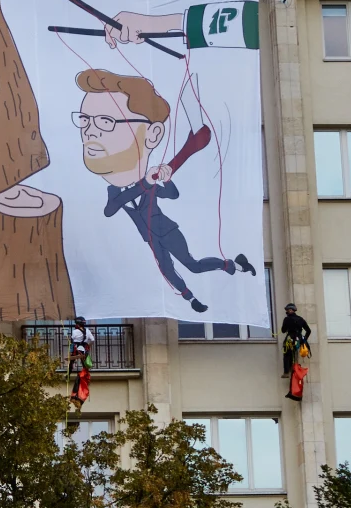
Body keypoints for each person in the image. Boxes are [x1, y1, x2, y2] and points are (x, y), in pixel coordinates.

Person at [75, 69, 257, 313]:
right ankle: (191, 298)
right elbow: (111, 209)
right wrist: (147, 182)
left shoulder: (149, 186)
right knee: (166, 270)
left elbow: (172, 195)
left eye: (106, 122)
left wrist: (166, 180)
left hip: (167, 231)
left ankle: (233, 264)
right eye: (85, 120)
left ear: (153, 135)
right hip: (150, 237)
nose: (90, 130)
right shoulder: (116, 191)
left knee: (192, 264)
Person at [67, 316, 95, 409]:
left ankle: (68, 374)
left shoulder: (75, 332)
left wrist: (71, 352)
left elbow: (72, 342)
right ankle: (86, 376)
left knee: (71, 362)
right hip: (84, 351)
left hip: (77, 349)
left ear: (77, 324)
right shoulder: (87, 331)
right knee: (85, 366)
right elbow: (92, 340)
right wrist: (87, 346)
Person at [280, 303, 312, 378]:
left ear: (288, 311)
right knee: (293, 353)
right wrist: (304, 340)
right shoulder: (300, 319)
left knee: (287, 354)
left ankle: (286, 372)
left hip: (290, 338)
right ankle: (293, 368)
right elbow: (308, 331)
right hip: (298, 340)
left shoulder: (287, 319)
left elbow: (283, 330)